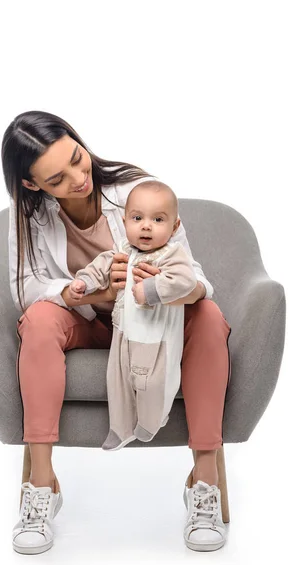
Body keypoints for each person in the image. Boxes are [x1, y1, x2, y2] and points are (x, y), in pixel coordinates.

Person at [2, 110, 231, 555]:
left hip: (153, 325)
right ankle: (42, 485)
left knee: (209, 314)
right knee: (39, 319)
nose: (78, 177)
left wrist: (162, 292)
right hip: (89, 325)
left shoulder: (135, 190)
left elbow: (197, 276)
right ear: (33, 185)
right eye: (56, 177)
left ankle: (205, 481)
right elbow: (24, 289)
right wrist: (83, 291)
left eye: (76, 157)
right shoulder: (26, 215)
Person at [69, 181, 198, 450]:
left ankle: (151, 422)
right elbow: (100, 267)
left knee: (153, 385)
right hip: (123, 331)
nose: (146, 226)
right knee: (117, 383)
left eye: (158, 219)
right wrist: (84, 282)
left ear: (174, 227)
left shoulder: (172, 255)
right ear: (125, 220)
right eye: (137, 218)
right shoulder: (123, 252)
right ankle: (120, 429)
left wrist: (150, 289)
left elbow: (185, 281)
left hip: (157, 338)